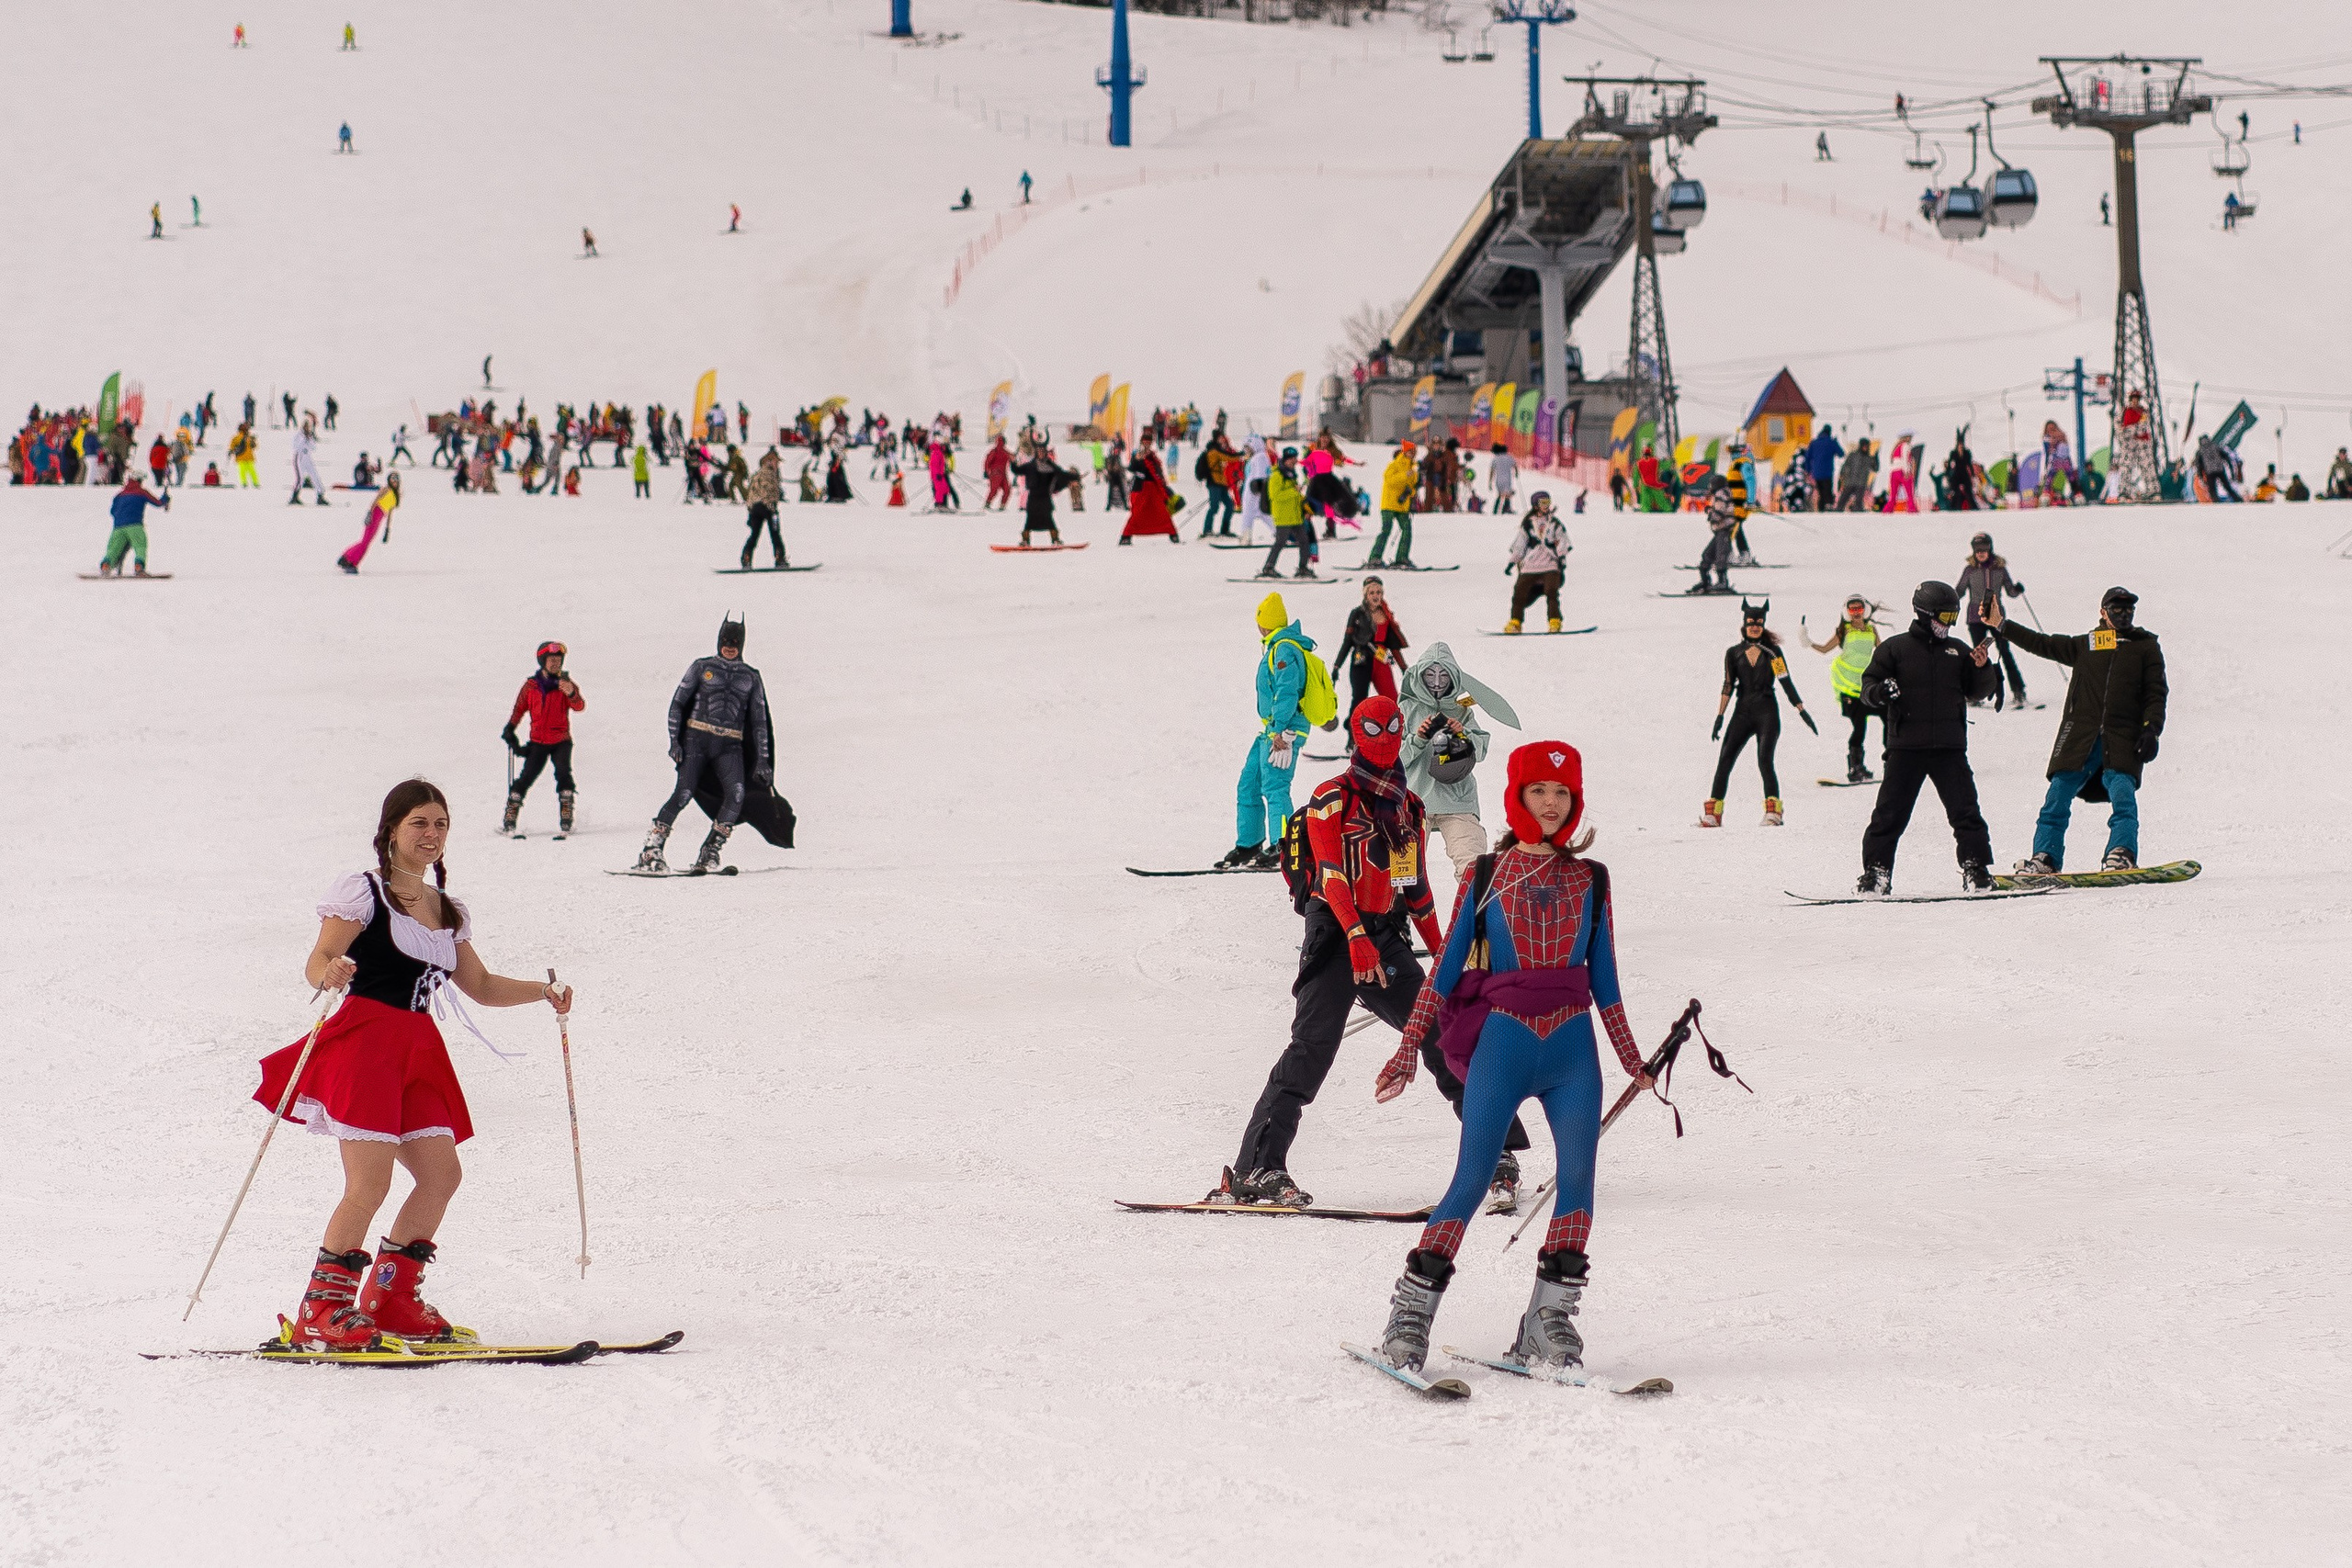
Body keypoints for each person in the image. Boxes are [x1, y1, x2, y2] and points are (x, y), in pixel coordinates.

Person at [254, 778, 574, 1349]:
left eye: (440, 824)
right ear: (392, 832)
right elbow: (323, 955)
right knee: (369, 1183)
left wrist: (542, 993)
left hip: (418, 1050)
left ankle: (391, 1300)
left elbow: (480, 985)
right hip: (366, 1045)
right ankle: (321, 1310)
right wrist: (325, 974)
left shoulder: (448, 910)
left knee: (441, 1174)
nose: (431, 835)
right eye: (418, 824)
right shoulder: (364, 892)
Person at [1366, 741, 1653, 1376]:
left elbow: (1605, 978)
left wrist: (1633, 1059)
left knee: (1579, 1180)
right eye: (1538, 792)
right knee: (1471, 1181)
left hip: (1573, 1048)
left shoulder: (1593, 878)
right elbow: (1441, 972)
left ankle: (1548, 1324)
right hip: (1504, 1040)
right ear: (1517, 797)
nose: (1551, 804)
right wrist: (1409, 1043)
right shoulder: (1487, 873)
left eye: (1562, 794)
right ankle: (1407, 1318)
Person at [1210, 694, 1507, 1209]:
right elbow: (1330, 875)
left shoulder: (1406, 806)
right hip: (1336, 935)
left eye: (1394, 725)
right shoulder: (1332, 798)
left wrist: (1445, 955)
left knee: (1444, 1033)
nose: (1388, 734)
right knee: (1312, 1048)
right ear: (1358, 731)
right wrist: (1354, 938)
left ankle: (1496, 1154)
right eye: (1375, 726)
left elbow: (1414, 890)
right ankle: (1257, 1169)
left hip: (1384, 935)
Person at [1987, 589, 2165, 875]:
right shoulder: (2088, 645)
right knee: (2057, 797)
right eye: (2117, 609)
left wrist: (2151, 730)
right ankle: (2045, 857)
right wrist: (2001, 625)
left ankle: (2121, 854)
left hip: (2122, 738)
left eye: (2129, 609)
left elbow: (2156, 694)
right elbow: (2041, 644)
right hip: (2080, 736)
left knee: (2123, 796)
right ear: (2103, 612)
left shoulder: (2145, 647)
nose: (2124, 614)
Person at [1856, 582, 1999, 896]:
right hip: (1905, 748)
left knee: (1966, 812)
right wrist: (1880, 692)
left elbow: (1978, 691)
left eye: (1954, 616)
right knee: (1889, 815)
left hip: (1949, 748)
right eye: (1944, 616)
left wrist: (1982, 666)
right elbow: (1868, 687)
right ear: (1924, 614)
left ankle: (1976, 870)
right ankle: (1876, 873)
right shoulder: (1895, 649)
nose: (1949, 624)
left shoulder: (1958, 651)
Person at [635, 617, 775, 875]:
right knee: (684, 792)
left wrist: (763, 759)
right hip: (697, 739)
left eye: (734, 642)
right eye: (725, 641)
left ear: (741, 644)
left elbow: (759, 721)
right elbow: (678, 703)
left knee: (737, 794)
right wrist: (674, 740)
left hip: (730, 744)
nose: (729, 647)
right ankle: (651, 850)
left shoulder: (751, 677)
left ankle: (711, 850)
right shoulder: (702, 667)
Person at [1398, 643, 1515, 889]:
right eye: (1430, 675)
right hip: (1414, 799)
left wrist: (1464, 735)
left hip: (1458, 798)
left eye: (1444, 675)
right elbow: (1393, 759)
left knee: (1473, 868)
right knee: (1400, 872)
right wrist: (1418, 739)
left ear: (1453, 677)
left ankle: (1477, 921)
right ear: (1419, 676)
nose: (1437, 682)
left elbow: (1481, 750)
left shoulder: (1462, 710)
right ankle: (1392, 924)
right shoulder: (1406, 709)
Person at [1217, 593, 1315, 870]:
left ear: (1265, 623)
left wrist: (1281, 731)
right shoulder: (1275, 646)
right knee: (1248, 784)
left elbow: (1287, 691)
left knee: (1275, 787)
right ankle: (1249, 843)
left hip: (1284, 733)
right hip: (1270, 731)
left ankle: (1283, 845)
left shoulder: (1284, 649)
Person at [1701, 600, 1814, 829]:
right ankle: (1714, 813)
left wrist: (1800, 708)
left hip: (1767, 712)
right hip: (1742, 711)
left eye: (1759, 623)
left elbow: (1785, 680)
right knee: (1725, 759)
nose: (1755, 627)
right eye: (1751, 623)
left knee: (1765, 760)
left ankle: (1773, 812)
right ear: (1744, 624)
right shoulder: (1733, 653)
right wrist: (1720, 716)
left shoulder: (1773, 652)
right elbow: (1728, 684)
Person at [502, 643, 586, 838]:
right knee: (526, 777)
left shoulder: (566, 684)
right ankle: (510, 817)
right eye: (552, 660)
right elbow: (519, 708)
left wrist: (571, 693)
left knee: (564, 774)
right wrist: (510, 728)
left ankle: (567, 816)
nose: (556, 664)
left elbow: (579, 706)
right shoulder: (531, 686)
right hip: (538, 741)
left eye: (559, 660)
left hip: (561, 740)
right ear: (543, 662)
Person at [1805, 595, 1883, 783]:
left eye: (1859, 609)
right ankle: (1855, 767)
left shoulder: (1872, 630)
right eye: (1852, 610)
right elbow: (1825, 649)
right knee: (1859, 727)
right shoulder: (1844, 631)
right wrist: (1808, 642)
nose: (1856, 613)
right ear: (1847, 613)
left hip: (1868, 685)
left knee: (1888, 717)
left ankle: (1891, 761)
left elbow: (1881, 652)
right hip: (1848, 686)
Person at [1956, 532, 2029, 708]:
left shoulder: (1999, 569)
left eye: (1984, 550)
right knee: (1979, 656)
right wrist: (1947, 598)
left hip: (1996, 618)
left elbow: (2010, 591)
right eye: (1977, 550)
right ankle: (1975, 693)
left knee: (2005, 652)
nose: (1981, 553)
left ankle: (2018, 690)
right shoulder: (1970, 570)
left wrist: (2017, 590)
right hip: (1975, 617)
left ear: (1990, 550)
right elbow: (1959, 591)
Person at [1332, 577, 1408, 730]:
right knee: (1359, 701)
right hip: (1362, 661)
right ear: (1366, 595)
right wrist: (1336, 666)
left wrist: (1404, 668)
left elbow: (1393, 645)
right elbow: (1347, 642)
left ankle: (1394, 735)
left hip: (1381, 662)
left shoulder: (1386, 614)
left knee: (1392, 700)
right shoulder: (1357, 614)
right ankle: (1353, 737)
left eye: (1379, 592)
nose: (1376, 596)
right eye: (1372, 592)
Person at [1501, 492, 1569, 633]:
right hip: (1531, 565)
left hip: (1550, 564)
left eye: (1548, 502)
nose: (1547, 506)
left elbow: (1562, 540)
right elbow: (1520, 545)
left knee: (1552, 592)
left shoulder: (1554, 524)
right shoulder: (1528, 525)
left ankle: (1555, 622)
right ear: (1536, 505)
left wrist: (1562, 558)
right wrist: (1512, 562)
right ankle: (1515, 622)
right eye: (1543, 503)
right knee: (1519, 593)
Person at [1256, 447, 1313, 579]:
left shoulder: (1290, 474)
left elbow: (1294, 494)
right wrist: (1294, 491)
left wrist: (1305, 505)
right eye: (1292, 459)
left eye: (1295, 458)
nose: (1294, 461)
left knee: (1304, 541)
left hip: (1294, 515)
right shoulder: (1276, 475)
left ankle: (1303, 568)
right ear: (1286, 459)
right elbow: (1275, 495)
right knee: (1280, 542)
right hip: (1283, 516)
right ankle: (1268, 567)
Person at [99, 475, 170, 576]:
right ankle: (139, 567)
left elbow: (112, 511)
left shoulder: (119, 495)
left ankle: (106, 565)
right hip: (135, 525)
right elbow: (158, 503)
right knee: (140, 546)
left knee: (114, 548)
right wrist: (165, 498)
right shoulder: (141, 492)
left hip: (118, 527)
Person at [1119, 434, 1180, 545]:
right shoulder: (1137, 454)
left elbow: (1158, 473)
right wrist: (1138, 459)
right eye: (1145, 442)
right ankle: (1126, 536)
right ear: (1142, 443)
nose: (1147, 444)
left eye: (1149, 442)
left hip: (1154, 489)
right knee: (1137, 513)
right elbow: (1132, 468)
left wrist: (1164, 485)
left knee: (1162, 512)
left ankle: (1173, 534)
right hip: (1142, 488)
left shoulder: (1153, 456)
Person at [1010, 434, 1069, 546]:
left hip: (1045, 497)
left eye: (1043, 451)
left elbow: (1062, 474)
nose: (1041, 453)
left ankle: (1055, 539)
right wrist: (1013, 462)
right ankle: (1025, 540)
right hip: (1033, 497)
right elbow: (1017, 470)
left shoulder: (1050, 465)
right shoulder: (1030, 466)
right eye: (1039, 451)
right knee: (1029, 520)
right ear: (1036, 453)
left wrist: (1074, 477)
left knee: (1049, 519)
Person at [335, 472, 401, 573]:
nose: (394, 481)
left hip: (381, 516)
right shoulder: (385, 489)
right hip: (375, 513)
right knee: (365, 542)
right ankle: (351, 561)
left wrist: (387, 529)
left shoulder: (396, 495)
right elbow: (375, 501)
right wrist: (369, 513)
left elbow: (390, 512)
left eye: (396, 479)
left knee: (366, 542)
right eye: (392, 478)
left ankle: (347, 557)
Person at [1371, 443, 1418, 568]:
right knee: (1386, 529)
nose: (1412, 454)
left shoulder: (1413, 469)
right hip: (1389, 504)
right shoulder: (1394, 465)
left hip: (1402, 506)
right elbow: (1389, 480)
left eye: (1413, 452)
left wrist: (1410, 491)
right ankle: (1375, 557)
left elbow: (1413, 487)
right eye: (1409, 451)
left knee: (1407, 529)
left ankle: (1402, 557)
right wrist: (1405, 477)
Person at [741, 449, 786, 568]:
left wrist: (750, 510)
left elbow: (750, 493)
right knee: (775, 534)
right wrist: (771, 507)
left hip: (755, 508)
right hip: (767, 507)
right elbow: (767, 492)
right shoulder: (769, 474)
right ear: (770, 462)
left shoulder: (757, 474)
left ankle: (746, 558)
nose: (778, 465)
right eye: (776, 462)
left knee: (754, 535)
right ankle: (780, 558)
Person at [1690, 484, 1737, 594]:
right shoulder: (1723, 494)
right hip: (1721, 531)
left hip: (1723, 531)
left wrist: (1710, 513)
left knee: (1719, 557)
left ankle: (1721, 582)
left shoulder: (1721, 495)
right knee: (1708, 554)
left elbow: (1719, 513)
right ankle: (1706, 581)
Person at [289, 418, 330, 506]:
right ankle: (294, 497)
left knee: (315, 477)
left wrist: (310, 439)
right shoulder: (299, 435)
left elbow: (313, 448)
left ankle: (320, 496)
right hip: (299, 457)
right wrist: (304, 438)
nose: (307, 428)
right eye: (306, 426)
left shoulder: (310, 436)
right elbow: (295, 446)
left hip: (308, 457)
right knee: (300, 479)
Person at [982, 434, 1012, 510]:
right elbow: (1013, 459)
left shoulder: (994, 451)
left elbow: (987, 461)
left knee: (995, 490)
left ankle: (988, 503)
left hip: (998, 474)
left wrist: (986, 471)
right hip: (998, 474)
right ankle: (1002, 505)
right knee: (1006, 490)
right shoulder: (1004, 452)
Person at [1488, 442, 1517, 514]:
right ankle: (1506, 509)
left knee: (1500, 494)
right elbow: (1515, 465)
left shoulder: (1495, 459)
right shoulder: (1509, 457)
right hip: (1507, 479)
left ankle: (1495, 510)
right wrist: (1516, 473)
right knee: (1507, 495)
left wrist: (1490, 482)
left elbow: (1492, 471)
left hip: (1499, 479)